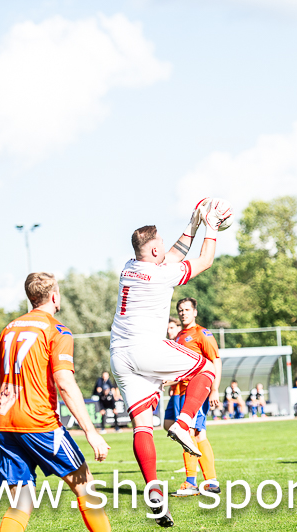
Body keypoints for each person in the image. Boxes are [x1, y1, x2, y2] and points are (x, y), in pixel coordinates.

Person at [109, 198, 230, 527]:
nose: (165, 248)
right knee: (206, 368)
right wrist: (211, 228)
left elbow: (172, 254)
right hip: (146, 348)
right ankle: (184, 422)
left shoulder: (130, 266)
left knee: (142, 426)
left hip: (120, 355)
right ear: (152, 251)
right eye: (160, 244)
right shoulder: (160, 276)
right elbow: (204, 261)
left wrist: (192, 224)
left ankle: (153, 491)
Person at [0, 273, 111, 532]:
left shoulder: (9, 329)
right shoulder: (57, 330)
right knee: (85, 486)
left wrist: (11, 410)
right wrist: (91, 432)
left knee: (21, 503)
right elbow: (64, 383)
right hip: (40, 423)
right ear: (54, 296)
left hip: (6, 425)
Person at [164, 297, 222, 497]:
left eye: (187, 309)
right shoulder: (179, 336)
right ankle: (210, 482)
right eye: (180, 310)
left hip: (196, 393)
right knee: (180, 429)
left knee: (192, 433)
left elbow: (215, 361)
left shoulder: (202, 334)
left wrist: (214, 389)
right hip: (180, 393)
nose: (183, 313)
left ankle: (193, 482)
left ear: (195, 312)